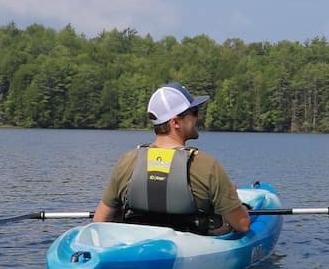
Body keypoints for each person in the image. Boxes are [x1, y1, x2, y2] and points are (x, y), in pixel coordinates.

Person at [92, 82, 250, 234]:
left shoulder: (127, 162)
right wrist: (233, 198)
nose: (198, 117)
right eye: (194, 112)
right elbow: (242, 224)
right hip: (191, 251)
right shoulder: (207, 166)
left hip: (138, 246)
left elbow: (99, 221)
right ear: (175, 122)